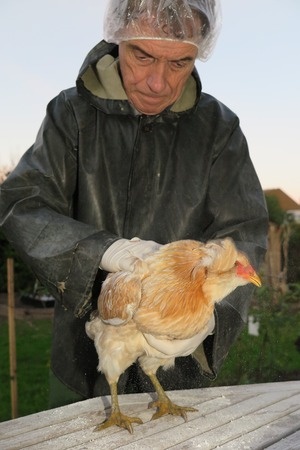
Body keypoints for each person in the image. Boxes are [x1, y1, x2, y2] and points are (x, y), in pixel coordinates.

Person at [0, 0, 268, 408]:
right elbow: (21, 204)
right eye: (142, 55)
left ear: (199, 51)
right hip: (80, 361)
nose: (158, 83)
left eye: (179, 63)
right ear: (118, 38)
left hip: (177, 367)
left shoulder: (218, 130)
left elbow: (244, 232)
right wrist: (105, 252)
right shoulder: (70, 115)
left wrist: (208, 316)